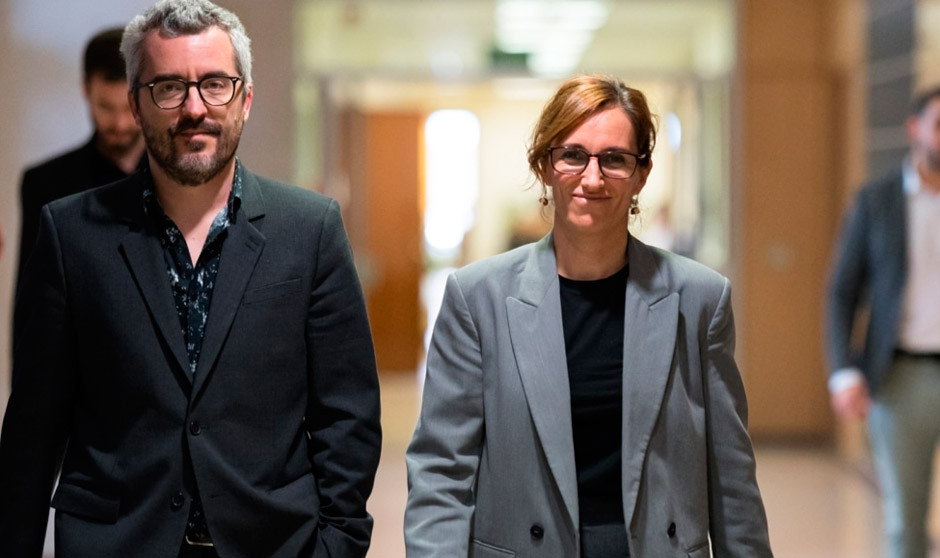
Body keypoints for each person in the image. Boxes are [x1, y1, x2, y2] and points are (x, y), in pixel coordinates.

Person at [0, 1, 381, 557]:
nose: (194, 107)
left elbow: (347, 413)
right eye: (169, 87)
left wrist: (337, 544)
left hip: (272, 544)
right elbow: (33, 430)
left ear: (245, 99)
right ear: (137, 104)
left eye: (215, 84)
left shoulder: (310, 230)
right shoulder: (71, 234)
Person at [405, 74, 772, 557]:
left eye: (615, 159)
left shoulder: (699, 299)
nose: (593, 178)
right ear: (545, 165)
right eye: (573, 155)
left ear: (641, 173)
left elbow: (731, 479)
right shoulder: (477, 300)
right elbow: (441, 473)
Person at [827, 85, 940, 558]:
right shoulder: (878, 201)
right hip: (900, 376)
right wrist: (843, 371)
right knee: (904, 523)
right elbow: (842, 291)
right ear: (915, 129)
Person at [16, 27, 145, 294]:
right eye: (106, 107)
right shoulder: (45, 184)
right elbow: (32, 300)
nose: (120, 123)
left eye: (129, 107)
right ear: (86, 90)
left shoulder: (174, 179)